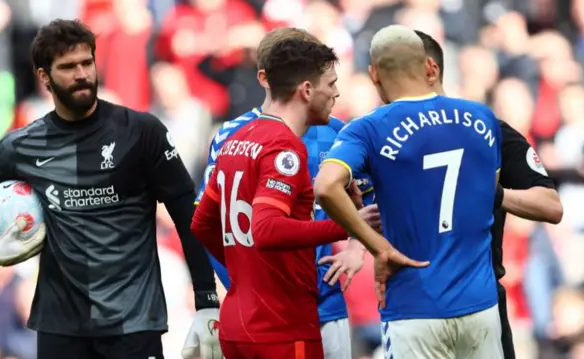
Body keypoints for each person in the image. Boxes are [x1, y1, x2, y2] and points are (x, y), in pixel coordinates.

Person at [0, 19, 221, 359]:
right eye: (68, 67)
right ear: (44, 77)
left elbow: (187, 211)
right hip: (60, 326)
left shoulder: (142, 132)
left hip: (133, 322)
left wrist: (206, 300)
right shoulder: (23, 144)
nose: (81, 74)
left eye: (87, 62)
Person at [191, 38, 409, 359]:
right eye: (331, 84)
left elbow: (202, 223)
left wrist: (245, 273)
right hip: (284, 317)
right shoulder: (285, 147)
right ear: (307, 90)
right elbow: (267, 229)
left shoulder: (235, 138)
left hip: (243, 315)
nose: (336, 93)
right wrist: (346, 226)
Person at [314, 25, 503, 358]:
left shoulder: (368, 128)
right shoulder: (483, 118)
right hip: (481, 305)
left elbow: (327, 186)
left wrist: (378, 247)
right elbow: (492, 193)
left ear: (374, 75)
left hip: (414, 307)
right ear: (430, 68)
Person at [414, 30, 562, 359]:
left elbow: (551, 206)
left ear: (430, 70)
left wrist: (493, 194)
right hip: (413, 308)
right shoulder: (377, 136)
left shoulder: (490, 132)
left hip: (481, 300)